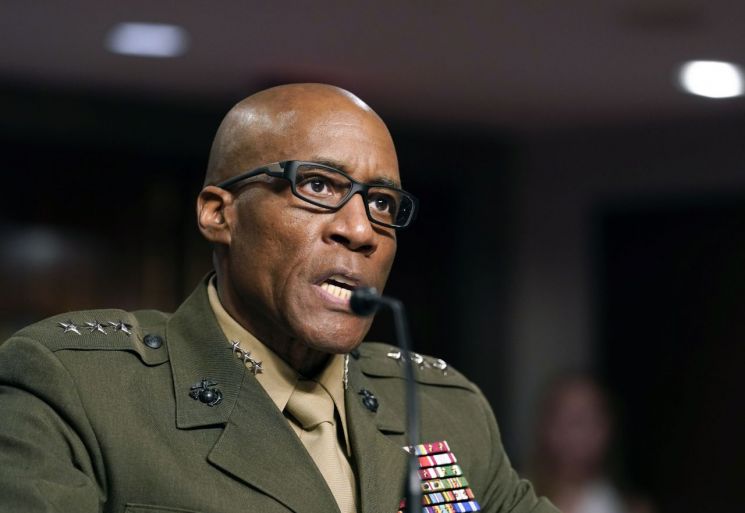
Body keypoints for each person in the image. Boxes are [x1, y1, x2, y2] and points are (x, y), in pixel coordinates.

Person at [0, 84, 558, 513]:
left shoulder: (443, 408)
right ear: (219, 214)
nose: (360, 230)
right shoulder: (79, 388)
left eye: (382, 203)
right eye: (317, 185)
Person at [529, 374, 652, 513]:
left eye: (584, 419)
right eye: (564, 418)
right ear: (544, 427)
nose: (574, 432)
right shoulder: (520, 498)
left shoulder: (631, 506)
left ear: (606, 427)